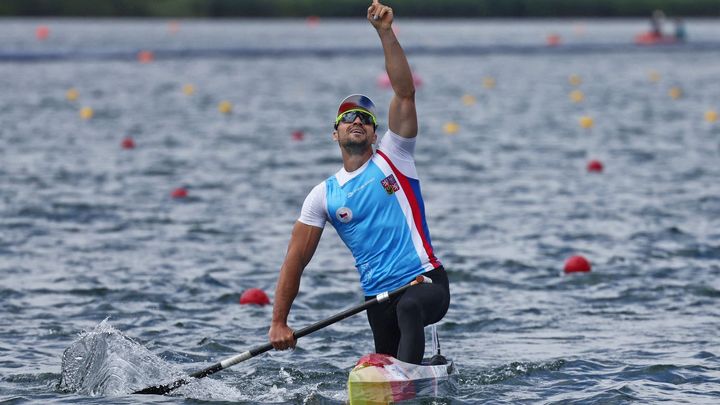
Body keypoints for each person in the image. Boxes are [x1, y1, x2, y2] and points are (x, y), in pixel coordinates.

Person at [268, 0, 450, 365]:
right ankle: (407, 375)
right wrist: (279, 322)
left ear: (374, 133)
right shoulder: (323, 195)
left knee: (410, 308)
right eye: (347, 117)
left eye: (365, 118)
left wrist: (385, 32)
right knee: (386, 355)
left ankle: (405, 379)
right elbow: (295, 260)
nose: (356, 121)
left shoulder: (394, 157)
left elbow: (404, 93)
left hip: (424, 283)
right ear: (334, 134)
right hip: (377, 300)